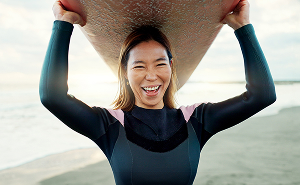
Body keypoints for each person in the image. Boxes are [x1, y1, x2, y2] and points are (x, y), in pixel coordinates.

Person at [39, 0, 276, 184]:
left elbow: (262, 95)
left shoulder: (196, 120)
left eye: (160, 64)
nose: (151, 75)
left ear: (172, 68)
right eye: (139, 66)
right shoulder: (109, 125)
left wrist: (243, 28)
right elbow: (52, 95)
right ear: (125, 72)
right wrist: (63, 25)